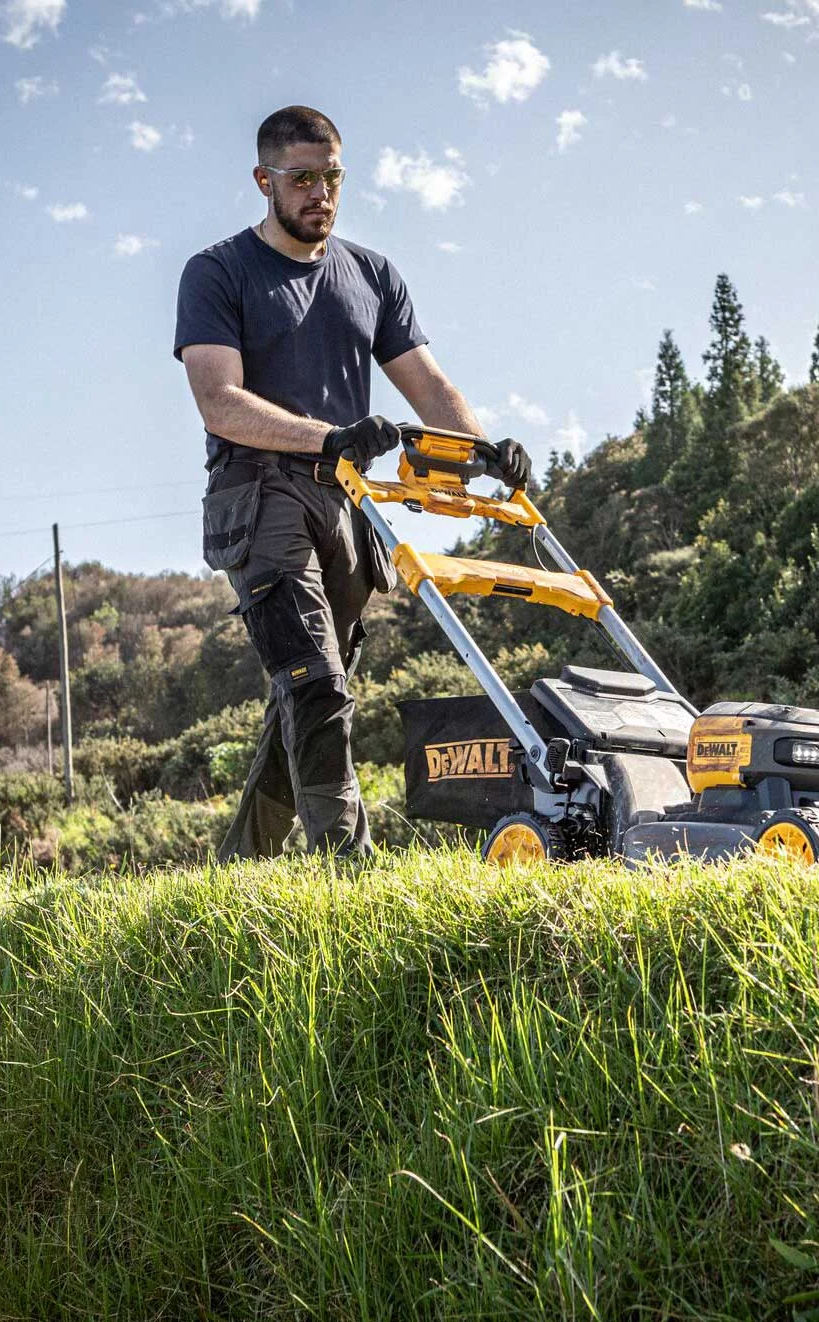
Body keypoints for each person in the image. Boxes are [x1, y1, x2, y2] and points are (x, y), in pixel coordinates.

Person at [175, 105, 532, 861]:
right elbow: (220, 400)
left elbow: (428, 388)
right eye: (302, 178)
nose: (320, 193)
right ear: (264, 180)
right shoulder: (218, 272)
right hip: (260, 493)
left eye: (332, 176)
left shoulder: (371, 275)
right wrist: (329, 435)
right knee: (313, 683)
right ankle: (351, 872)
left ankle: (241, 869)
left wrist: (485, 452)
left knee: (310, 695)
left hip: (346, 504)